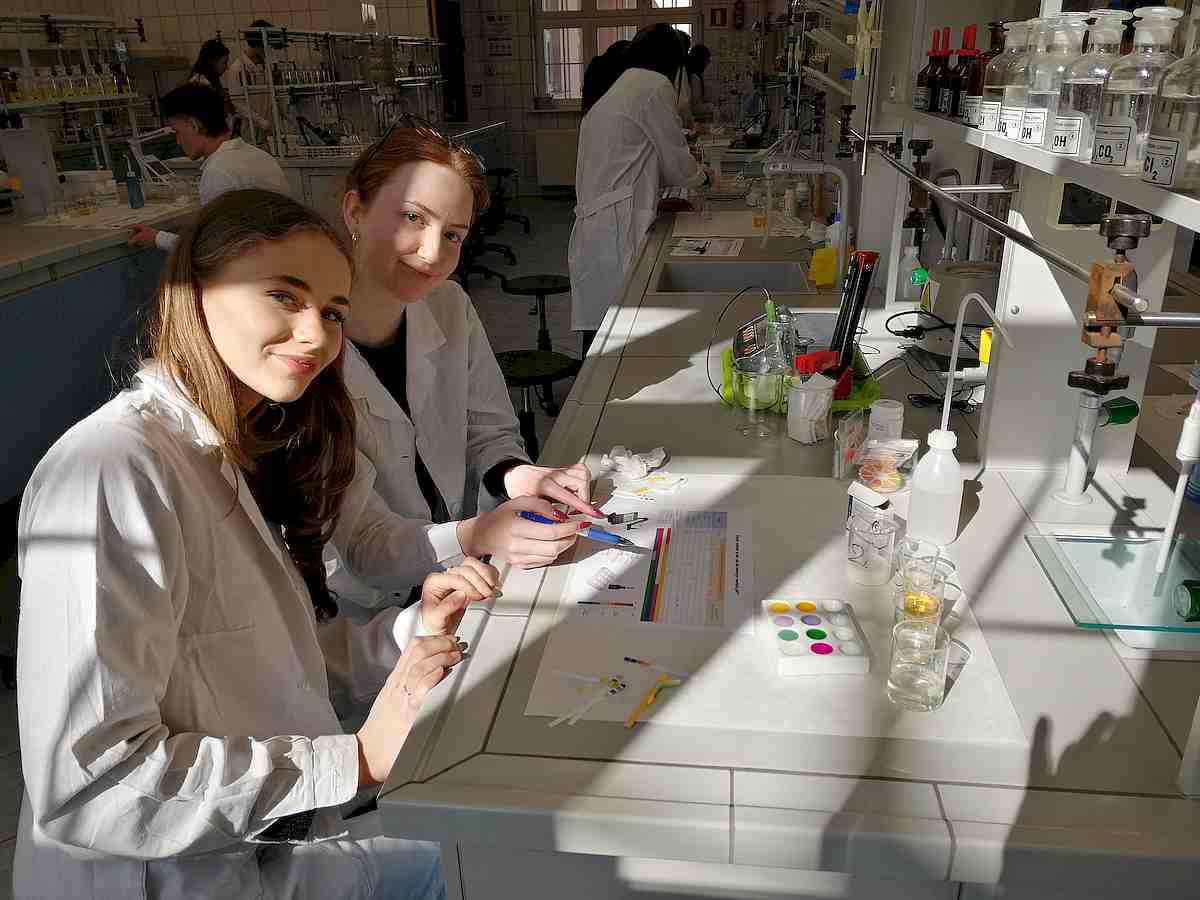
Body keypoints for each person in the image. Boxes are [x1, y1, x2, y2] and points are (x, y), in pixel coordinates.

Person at [16, 189, 498, 899]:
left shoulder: (231, 446)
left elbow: (266, 663)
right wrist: (356, 761)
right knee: (482, 861)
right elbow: (91, 785)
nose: (315, 334)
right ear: (194, 293)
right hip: (170, 877)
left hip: (256, 854)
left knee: (479, 852)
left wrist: (412, 631)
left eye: (332, 311)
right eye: (283, 296)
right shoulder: (111, 470)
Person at [333, 119, 603, 612]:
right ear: (355, 211)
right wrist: (478, 534)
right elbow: (363, 546)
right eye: (413, 217)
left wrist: (521, 476)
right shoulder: (305, 351)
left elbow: (488, 430)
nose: (433, 253)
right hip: (368, 610)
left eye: (453, 234)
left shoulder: (449, 305)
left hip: (461, 569)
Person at [569, 24, 715, 352]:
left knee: (601, 326)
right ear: (672, 62)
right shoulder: (652, 85)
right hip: (614, 225)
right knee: (614, 326)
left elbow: (638, 156)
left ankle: (594, 377)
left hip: (600, 223)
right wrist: (704, 177)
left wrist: (654, 190)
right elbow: (675, 161)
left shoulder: (625, 84)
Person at [128, 82, 291, 251]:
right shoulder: (257, 155)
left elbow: (215, 249)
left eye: (177, 132)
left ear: (194, 125)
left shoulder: (218, 171)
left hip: (256, 262)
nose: (177, 141)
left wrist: (158, 239)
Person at [226, 19, 276, 144]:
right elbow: (238, 103)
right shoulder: (238, 68)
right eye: (268, 45)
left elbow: (269, 97)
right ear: (258, 44)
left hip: (265, 129)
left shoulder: (264, 66)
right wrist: (262, 123)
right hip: (249, 131)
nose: (270, 49)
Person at [580, 39, 629, 115]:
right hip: (602, 110)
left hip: (591, 109)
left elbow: (587, 90)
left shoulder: (596, 62)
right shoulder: (616, 69)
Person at [687, 45, 714, 124]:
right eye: (707, 60)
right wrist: (711, 107)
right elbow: (694, 108)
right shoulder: (694, 78)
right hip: (694, 121)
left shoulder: (694, 76)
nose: (707, 64)